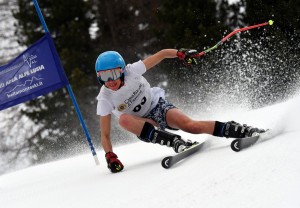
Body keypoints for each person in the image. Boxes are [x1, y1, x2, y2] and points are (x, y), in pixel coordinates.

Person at [95, 49, 265, 173]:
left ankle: (237, 129)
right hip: (145, 125)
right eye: (103, 77)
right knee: (123, 120)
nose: (109, 81)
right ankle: (174, 141)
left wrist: (181, 54)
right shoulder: (105, 98)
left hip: (158, 107)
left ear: (122, 70)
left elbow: (161, 54)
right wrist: (110, 155)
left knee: (192, 126)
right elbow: (105, 135)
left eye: (112, 74)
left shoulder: (133, 71)